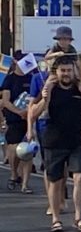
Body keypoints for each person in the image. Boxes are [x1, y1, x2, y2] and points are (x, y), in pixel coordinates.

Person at [27, 56, 81, 232]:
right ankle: (55, 218)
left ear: (74, 71)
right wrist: (45, 98)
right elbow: (33, 112)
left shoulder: (80, 87)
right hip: (54, 140)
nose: (66, 74)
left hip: (75, 140)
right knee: (55, 181)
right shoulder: (51, 87)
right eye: (63, 71)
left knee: (80, 177)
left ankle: (78, 217)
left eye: (69, 70)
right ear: (57, 72)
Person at [1, 52, 34, 193]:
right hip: (14, 119)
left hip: (29, 119)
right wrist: (18, 112)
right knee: (14, 150)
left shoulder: (32, 78)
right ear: (16, 61)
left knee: (28, 151)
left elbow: (35, 98)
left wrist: (31, 112)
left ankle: (25, 184)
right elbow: (5, 102)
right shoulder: (9, 79)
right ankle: (14, 174)